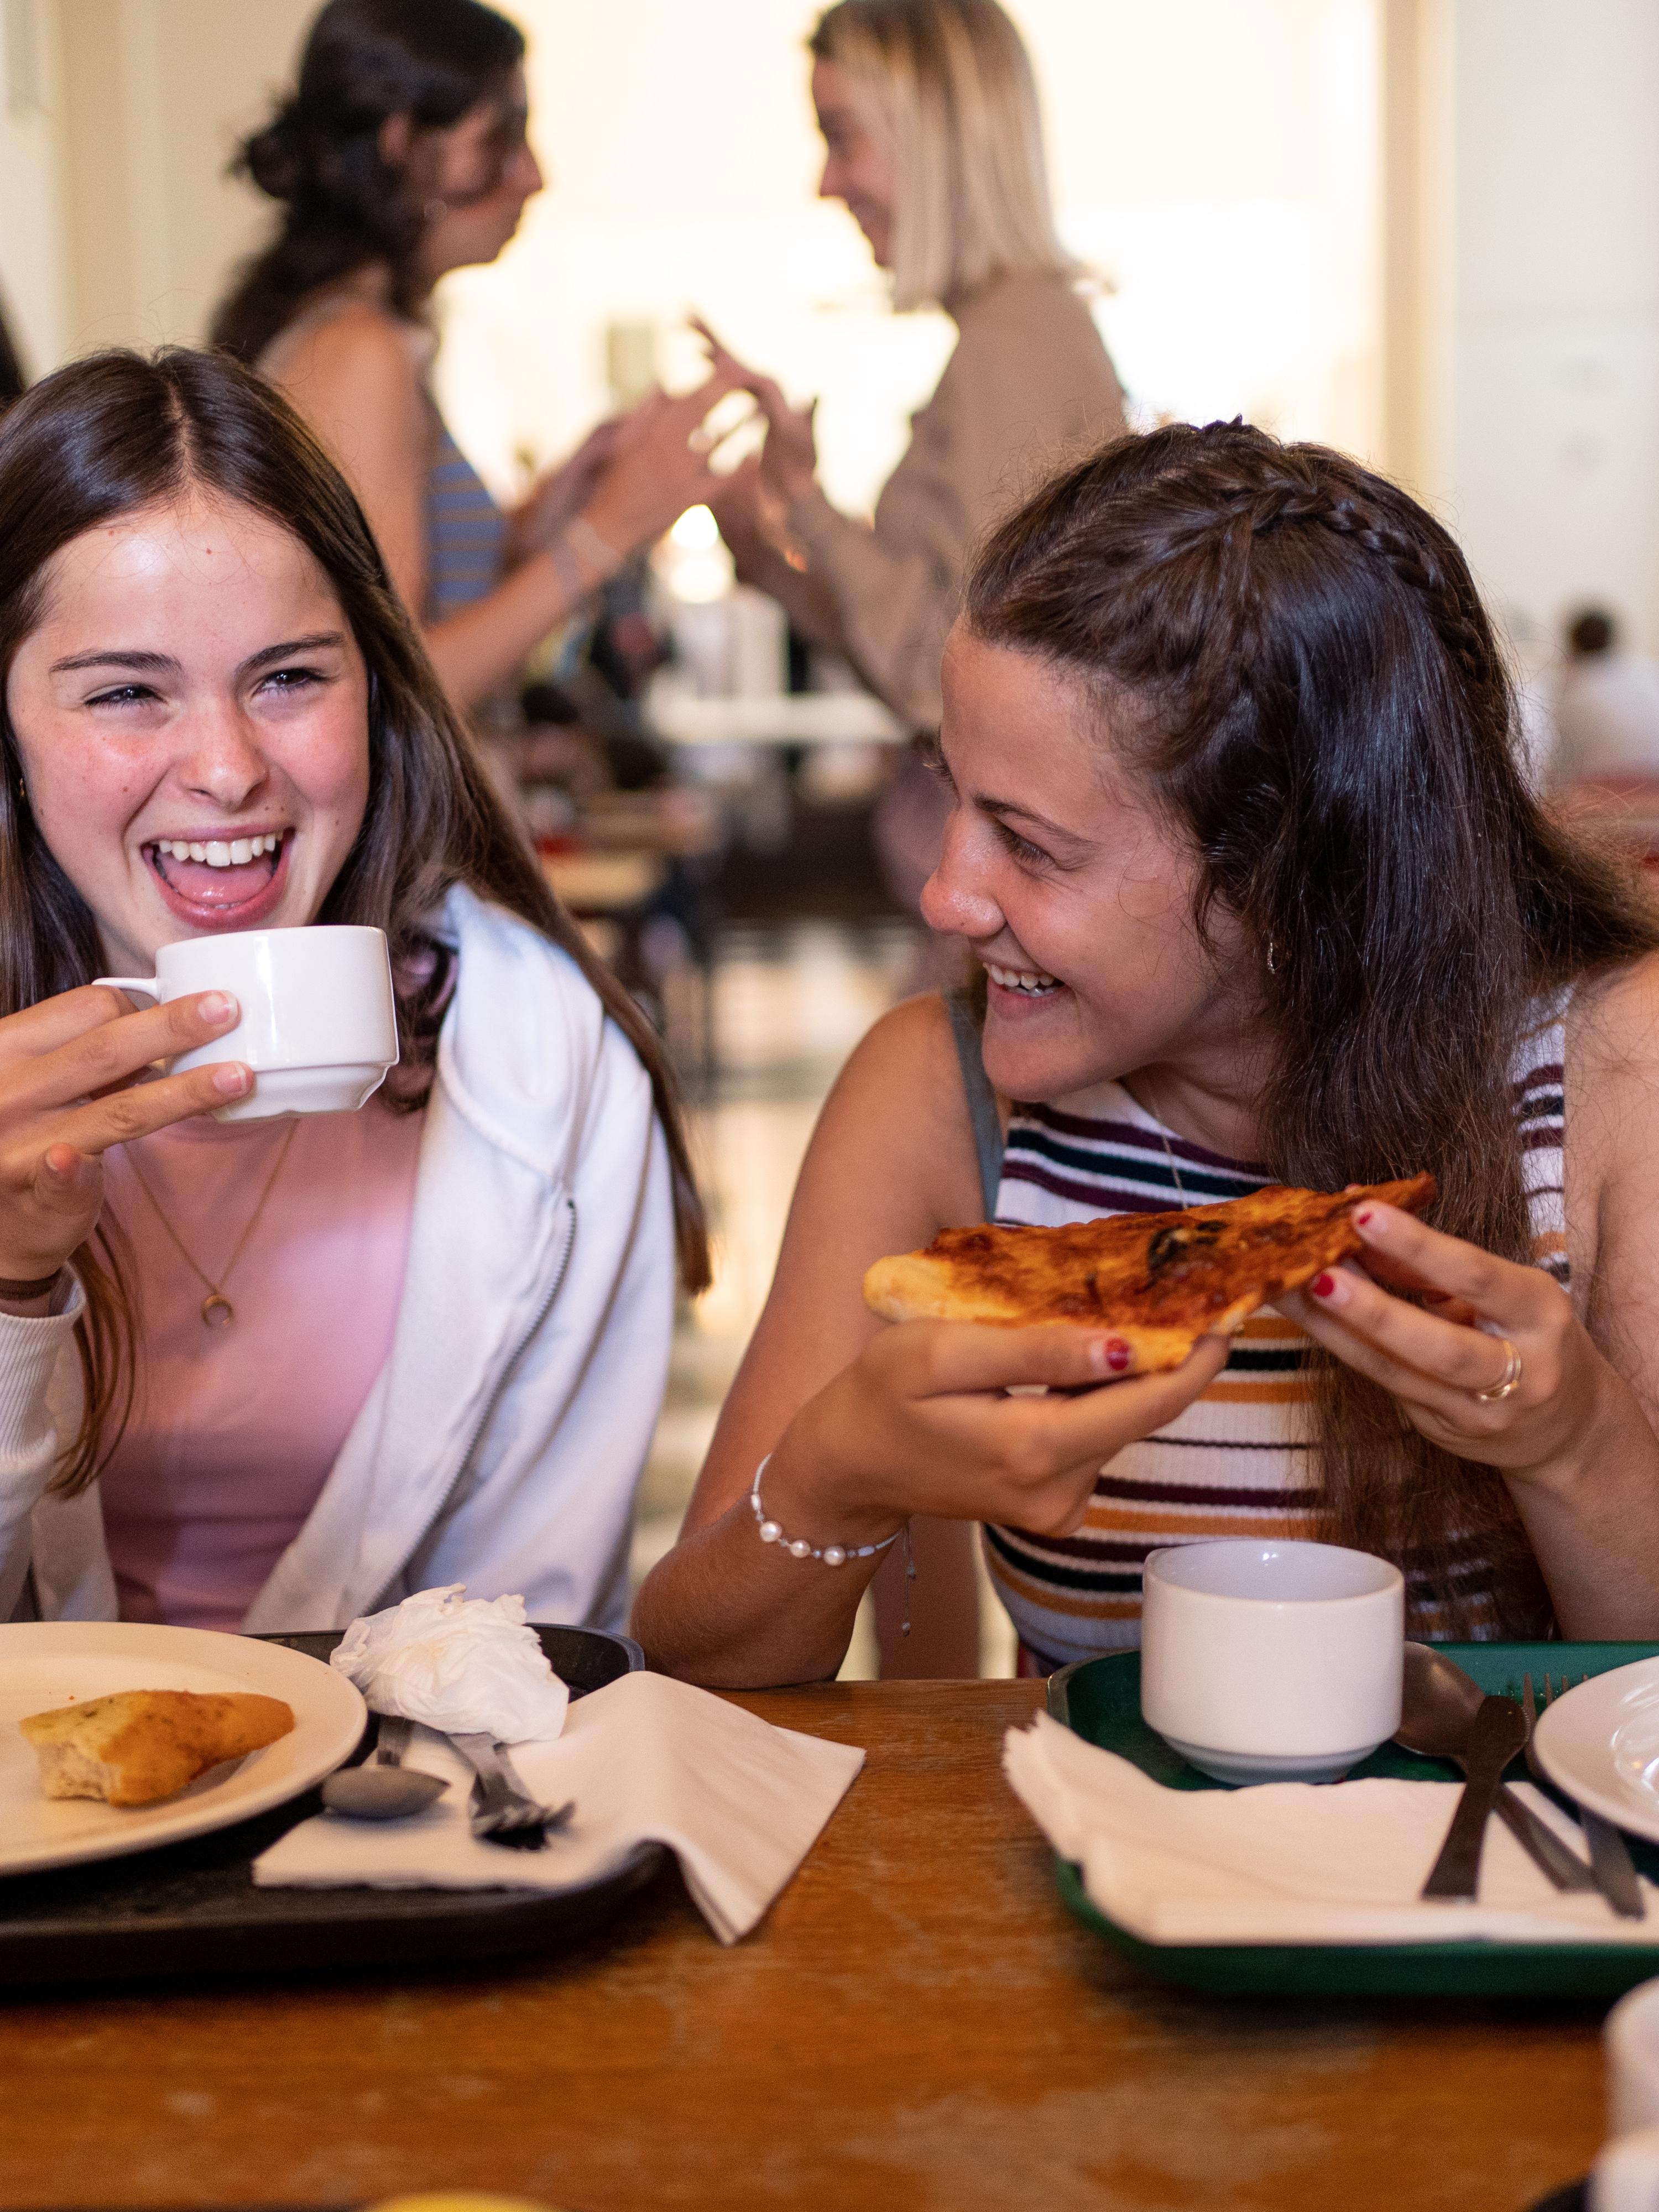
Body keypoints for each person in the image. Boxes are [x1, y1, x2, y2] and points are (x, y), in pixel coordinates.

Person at [632, 419, 1659, 1688]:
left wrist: (1574, 1444)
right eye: (950, 792)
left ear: (1286, 877)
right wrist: (836, 1479)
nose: (948, 895)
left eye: (1031, 842)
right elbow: (685, 1672)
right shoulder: (935, 1092)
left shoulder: (1617, 1066)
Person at [0, 346, 706, 1635]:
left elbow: (532, 1638)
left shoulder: (537, 1053)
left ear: (375, 689)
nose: (225, 769)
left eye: (288, 677)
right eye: (124, 692)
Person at [703, 0, 1128, 1674]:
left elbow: (959, 670)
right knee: (937, 1361)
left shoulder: (1019, 337)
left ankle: (941, 1748)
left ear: (936, 135)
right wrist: (780, 538)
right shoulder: (1003, 341)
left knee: (950, 1369)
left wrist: (800, 516)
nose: (834, 182)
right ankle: (934, 1735)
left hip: (994, 941)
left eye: (848, 133)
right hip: (976, 926)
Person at [213, 0, 739, 718]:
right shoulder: (357, 350)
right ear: (404, 145)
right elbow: (393, 695)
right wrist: (608, 530)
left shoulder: (364, 334)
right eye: (504, 136)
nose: (533, 175)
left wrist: (540, 523)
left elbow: (414, 609)